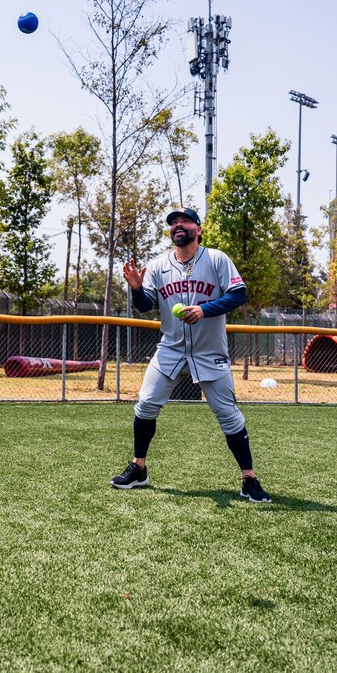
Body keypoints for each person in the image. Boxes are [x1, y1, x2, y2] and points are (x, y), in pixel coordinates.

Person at [110, 207, 271, 503]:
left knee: (228, 416)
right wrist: (135, 289)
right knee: (145, 406)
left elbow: (239, 294)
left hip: (209, 352)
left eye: (184, 221)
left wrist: (204, 309)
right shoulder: (158, 265)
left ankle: (249, 479)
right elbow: (146, 305)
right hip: (170, 349)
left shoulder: (217, 259)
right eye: (173, 222)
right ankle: (139, 469)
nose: (177, 225)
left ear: (198, 229)